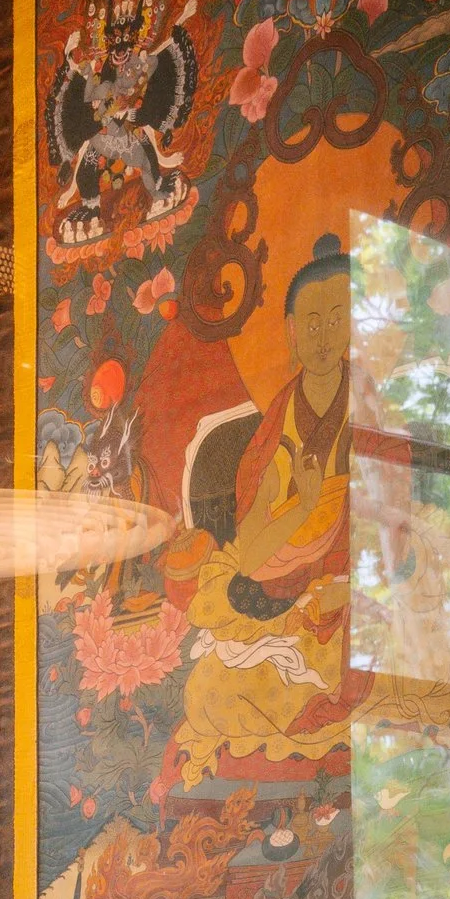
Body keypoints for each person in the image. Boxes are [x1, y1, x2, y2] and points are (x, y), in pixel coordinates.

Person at [173, 238, 363, 789]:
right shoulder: (280, 427)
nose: (323, 338)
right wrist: (302, 507)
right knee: (206, 692)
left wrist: (350, 589)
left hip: (354, 599)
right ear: (291, 332)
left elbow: (402, 528)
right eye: (312, 323)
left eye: (337, 320)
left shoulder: (373, 412)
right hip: (284, 599)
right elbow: (250, 558)